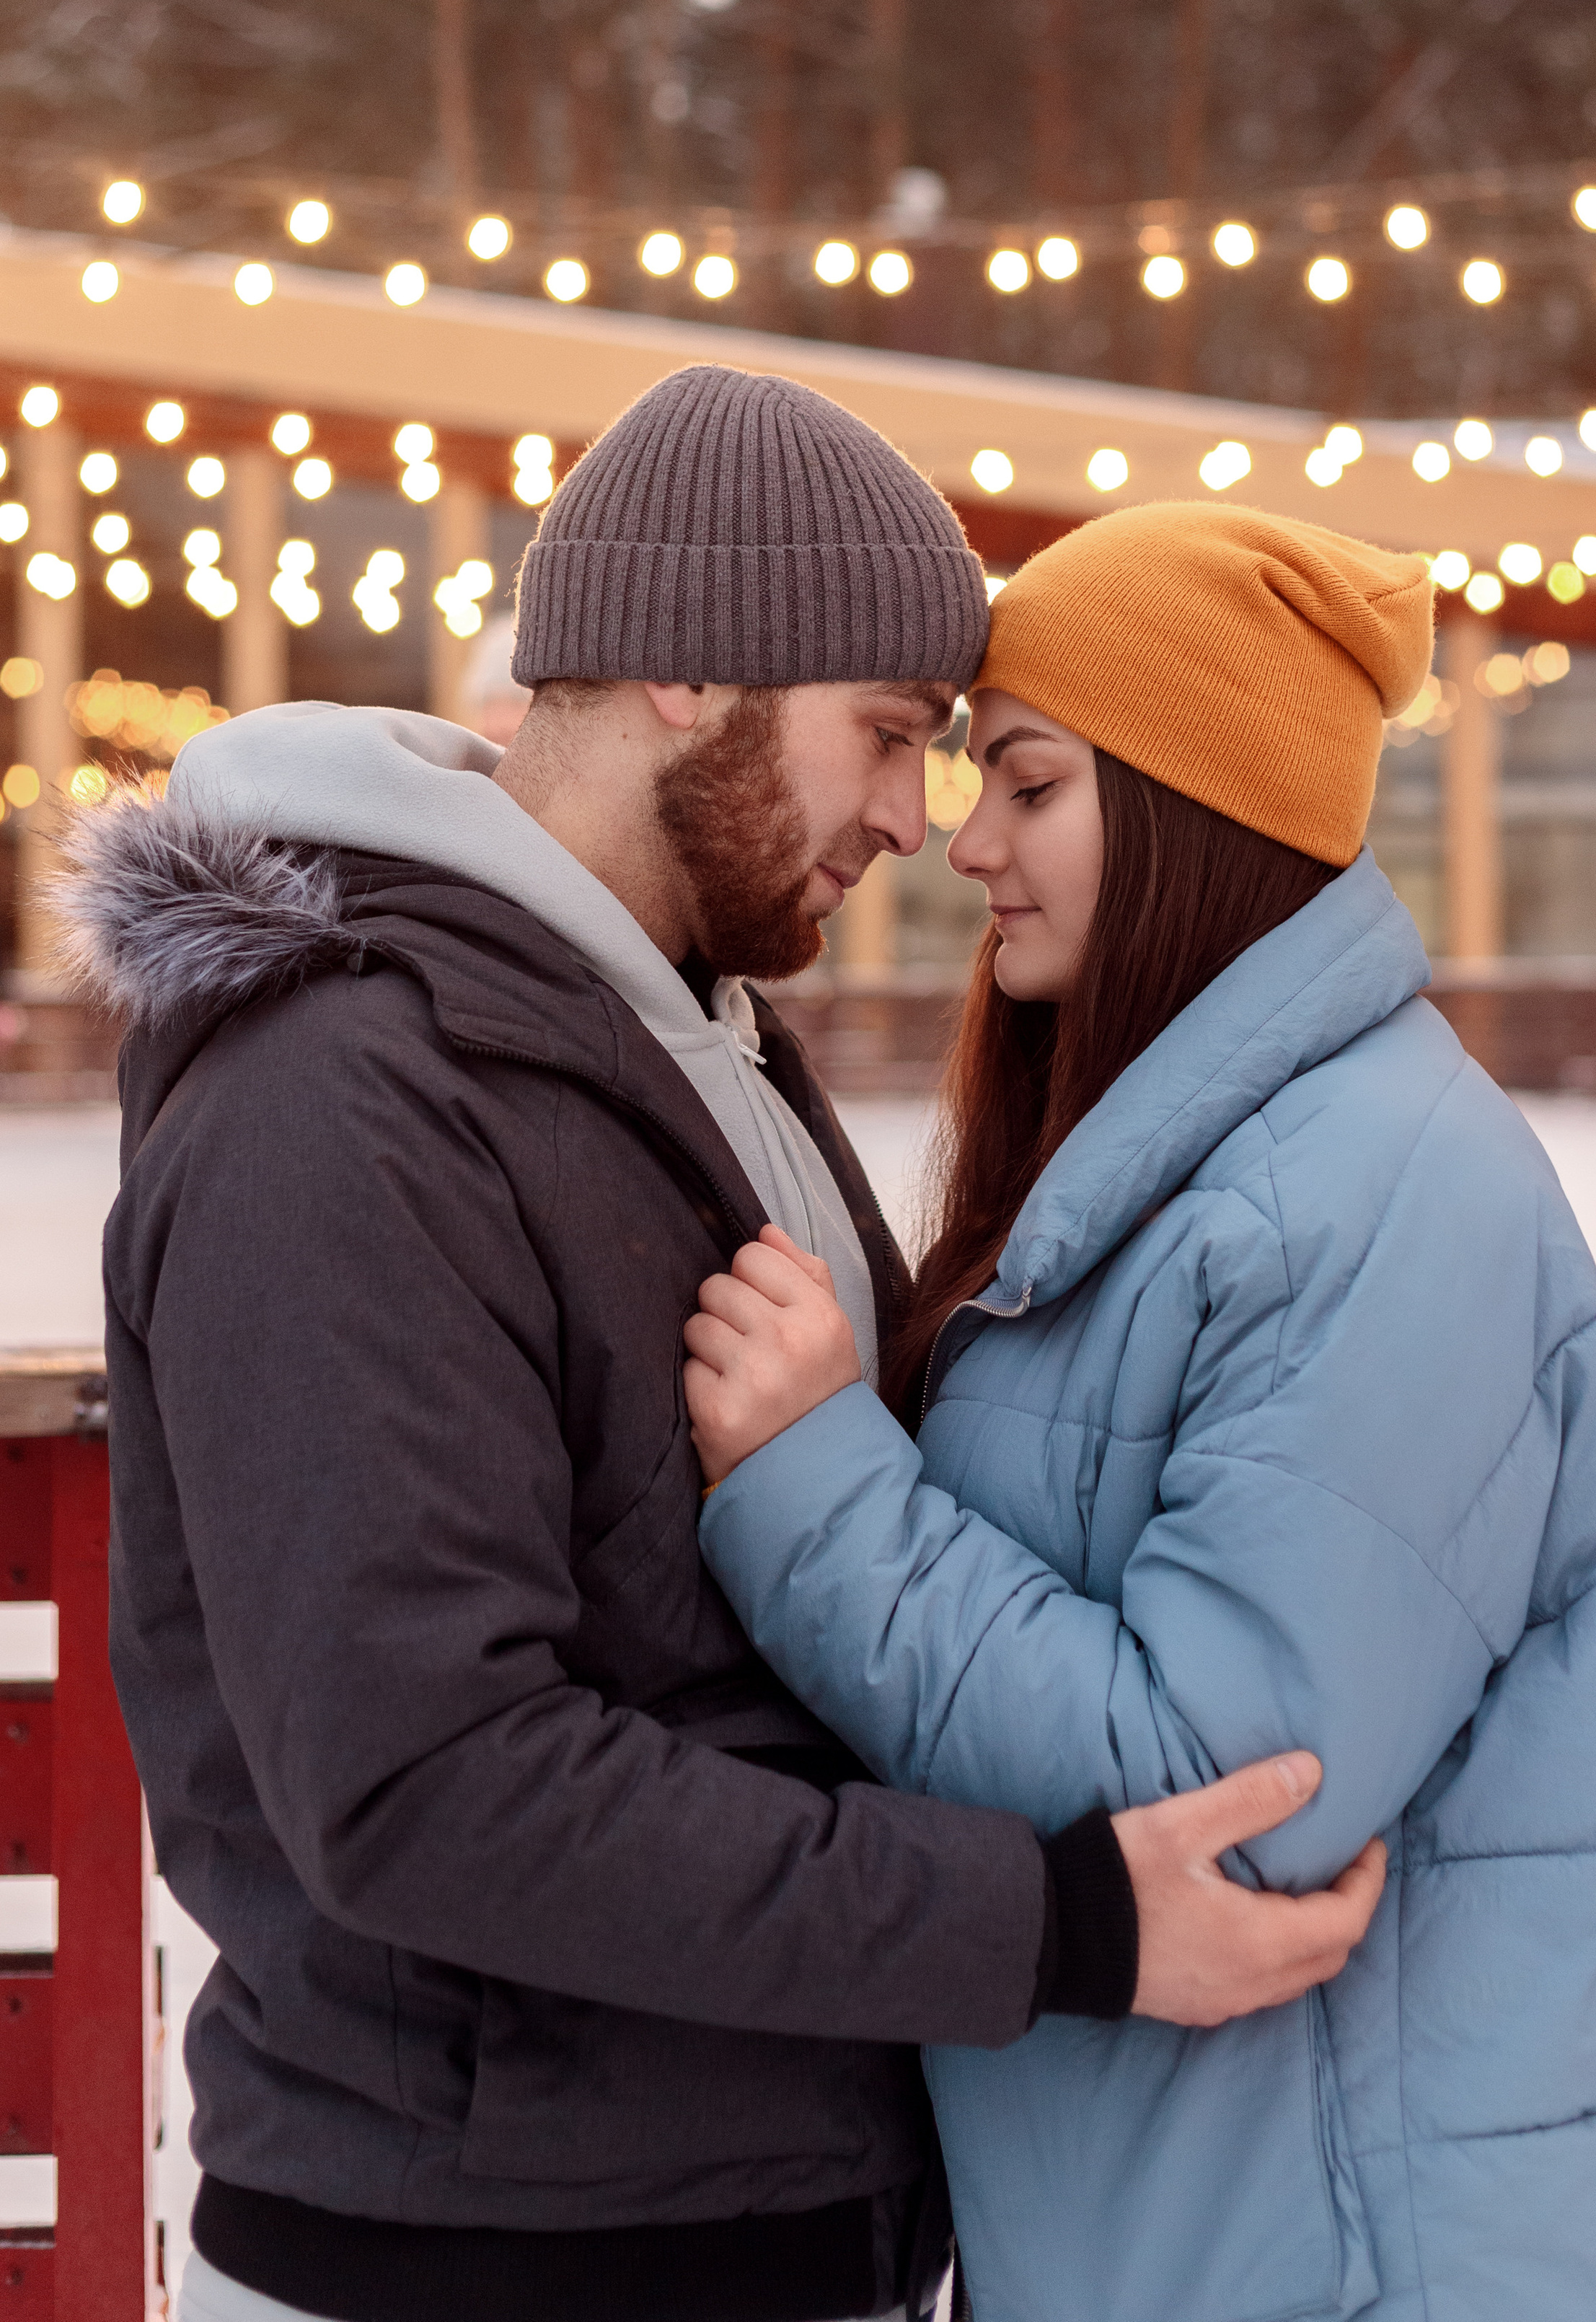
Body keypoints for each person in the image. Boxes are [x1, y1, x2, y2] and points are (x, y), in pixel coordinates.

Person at [61, 372, 1384, 2322]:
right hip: (482, 2266)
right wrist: (1052, 1926)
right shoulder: (342, 1103)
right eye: (890, 734)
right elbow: (428, 1782)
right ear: (688, 668)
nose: (915, 820)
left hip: (743, 2225)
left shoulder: (689, 1039)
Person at [683, 501, 1596, 2322]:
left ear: (1189, 814)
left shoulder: (1374, 1200)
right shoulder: (1175, 1169)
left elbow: (1228, 1798)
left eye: (1029, 784)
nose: (963, 843)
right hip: (1196, 2225)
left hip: (1354, 2259)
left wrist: (819, 1490)